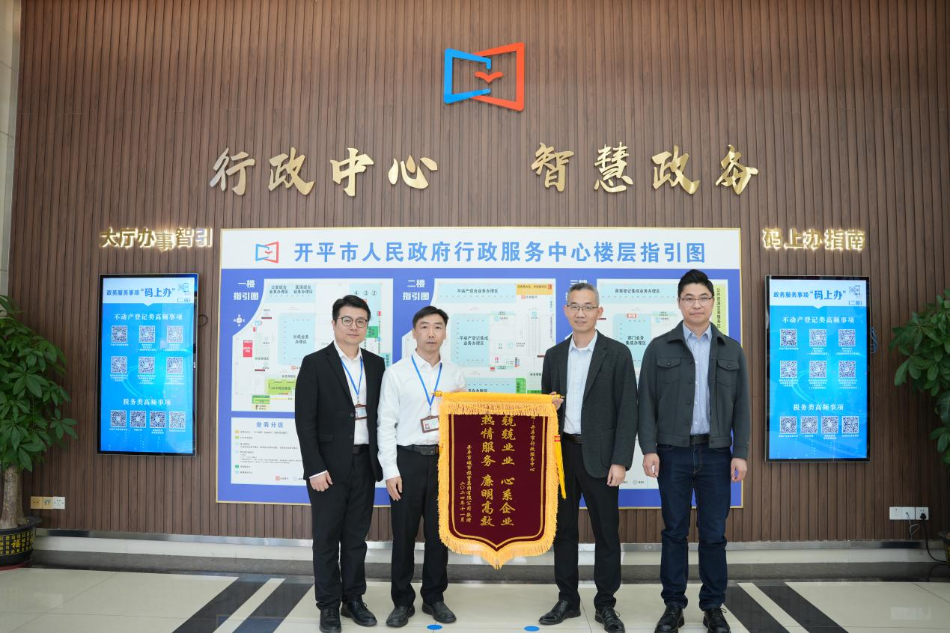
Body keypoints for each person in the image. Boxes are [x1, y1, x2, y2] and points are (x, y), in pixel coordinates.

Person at [638, 270, 750, 633]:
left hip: (716, 454)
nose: (696, 304)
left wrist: (740, 452)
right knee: (674, 531)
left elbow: (742, 406)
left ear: (713, 302)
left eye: (703, 297)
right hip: (672, 453)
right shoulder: (659, 348)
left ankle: (713, 606)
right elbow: (646, 404)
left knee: (713, 533)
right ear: (679, 302)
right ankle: (673, 606)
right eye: (689, 298)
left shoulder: (731, 349)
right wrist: (649, 449)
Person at [538, 282, 638, 633]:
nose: (581, 313)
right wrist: (549, 406)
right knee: (563, 531)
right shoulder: (554, 355)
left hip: (602, 457)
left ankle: (605, 604)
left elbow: (628, 411)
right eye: (575, 306)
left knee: (606, 533)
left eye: (588, 307)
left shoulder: (617, 353)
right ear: (566, 310)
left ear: (599, 311)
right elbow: (545, 409)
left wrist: (620, 460)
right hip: (562, 454)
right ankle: (567, 599)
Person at [295, 295, 386, 633]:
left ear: (367, 327)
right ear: (334, 324)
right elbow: (305, 421)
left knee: (356, 539)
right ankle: (328, 605)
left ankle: (353, 599)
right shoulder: (315, 363)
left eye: (361, 321)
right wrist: (314, 468)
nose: (354, 327)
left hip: (365, 463)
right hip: (328, 469)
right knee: (326, 538)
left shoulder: (375, 364)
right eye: (347, 320)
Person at [376, 306, 467, 628]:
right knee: (403, 535)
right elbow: (386, 424)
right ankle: (402, 601)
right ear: (414, 333)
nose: (431, 333)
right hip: (407, 460)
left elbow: (463, 423)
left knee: (439, 535)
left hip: (443, 460)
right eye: (424, 327)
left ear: (445, 333)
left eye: (437, 327)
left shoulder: (454, 373)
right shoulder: (397, 373)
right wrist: (391, 470)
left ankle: (434, 597)